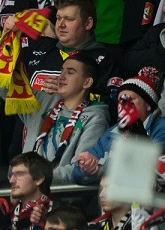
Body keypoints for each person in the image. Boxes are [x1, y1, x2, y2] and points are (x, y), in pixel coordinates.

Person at [20, 53, 110, 183]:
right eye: (61, 70)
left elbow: (81, 169)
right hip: (26, 186)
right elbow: (3, 85)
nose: (61, 76)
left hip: (58, 192)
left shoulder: (95, 118)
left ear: (87, 82)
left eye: (70, 72)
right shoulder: (43, 102)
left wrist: (38, 177)